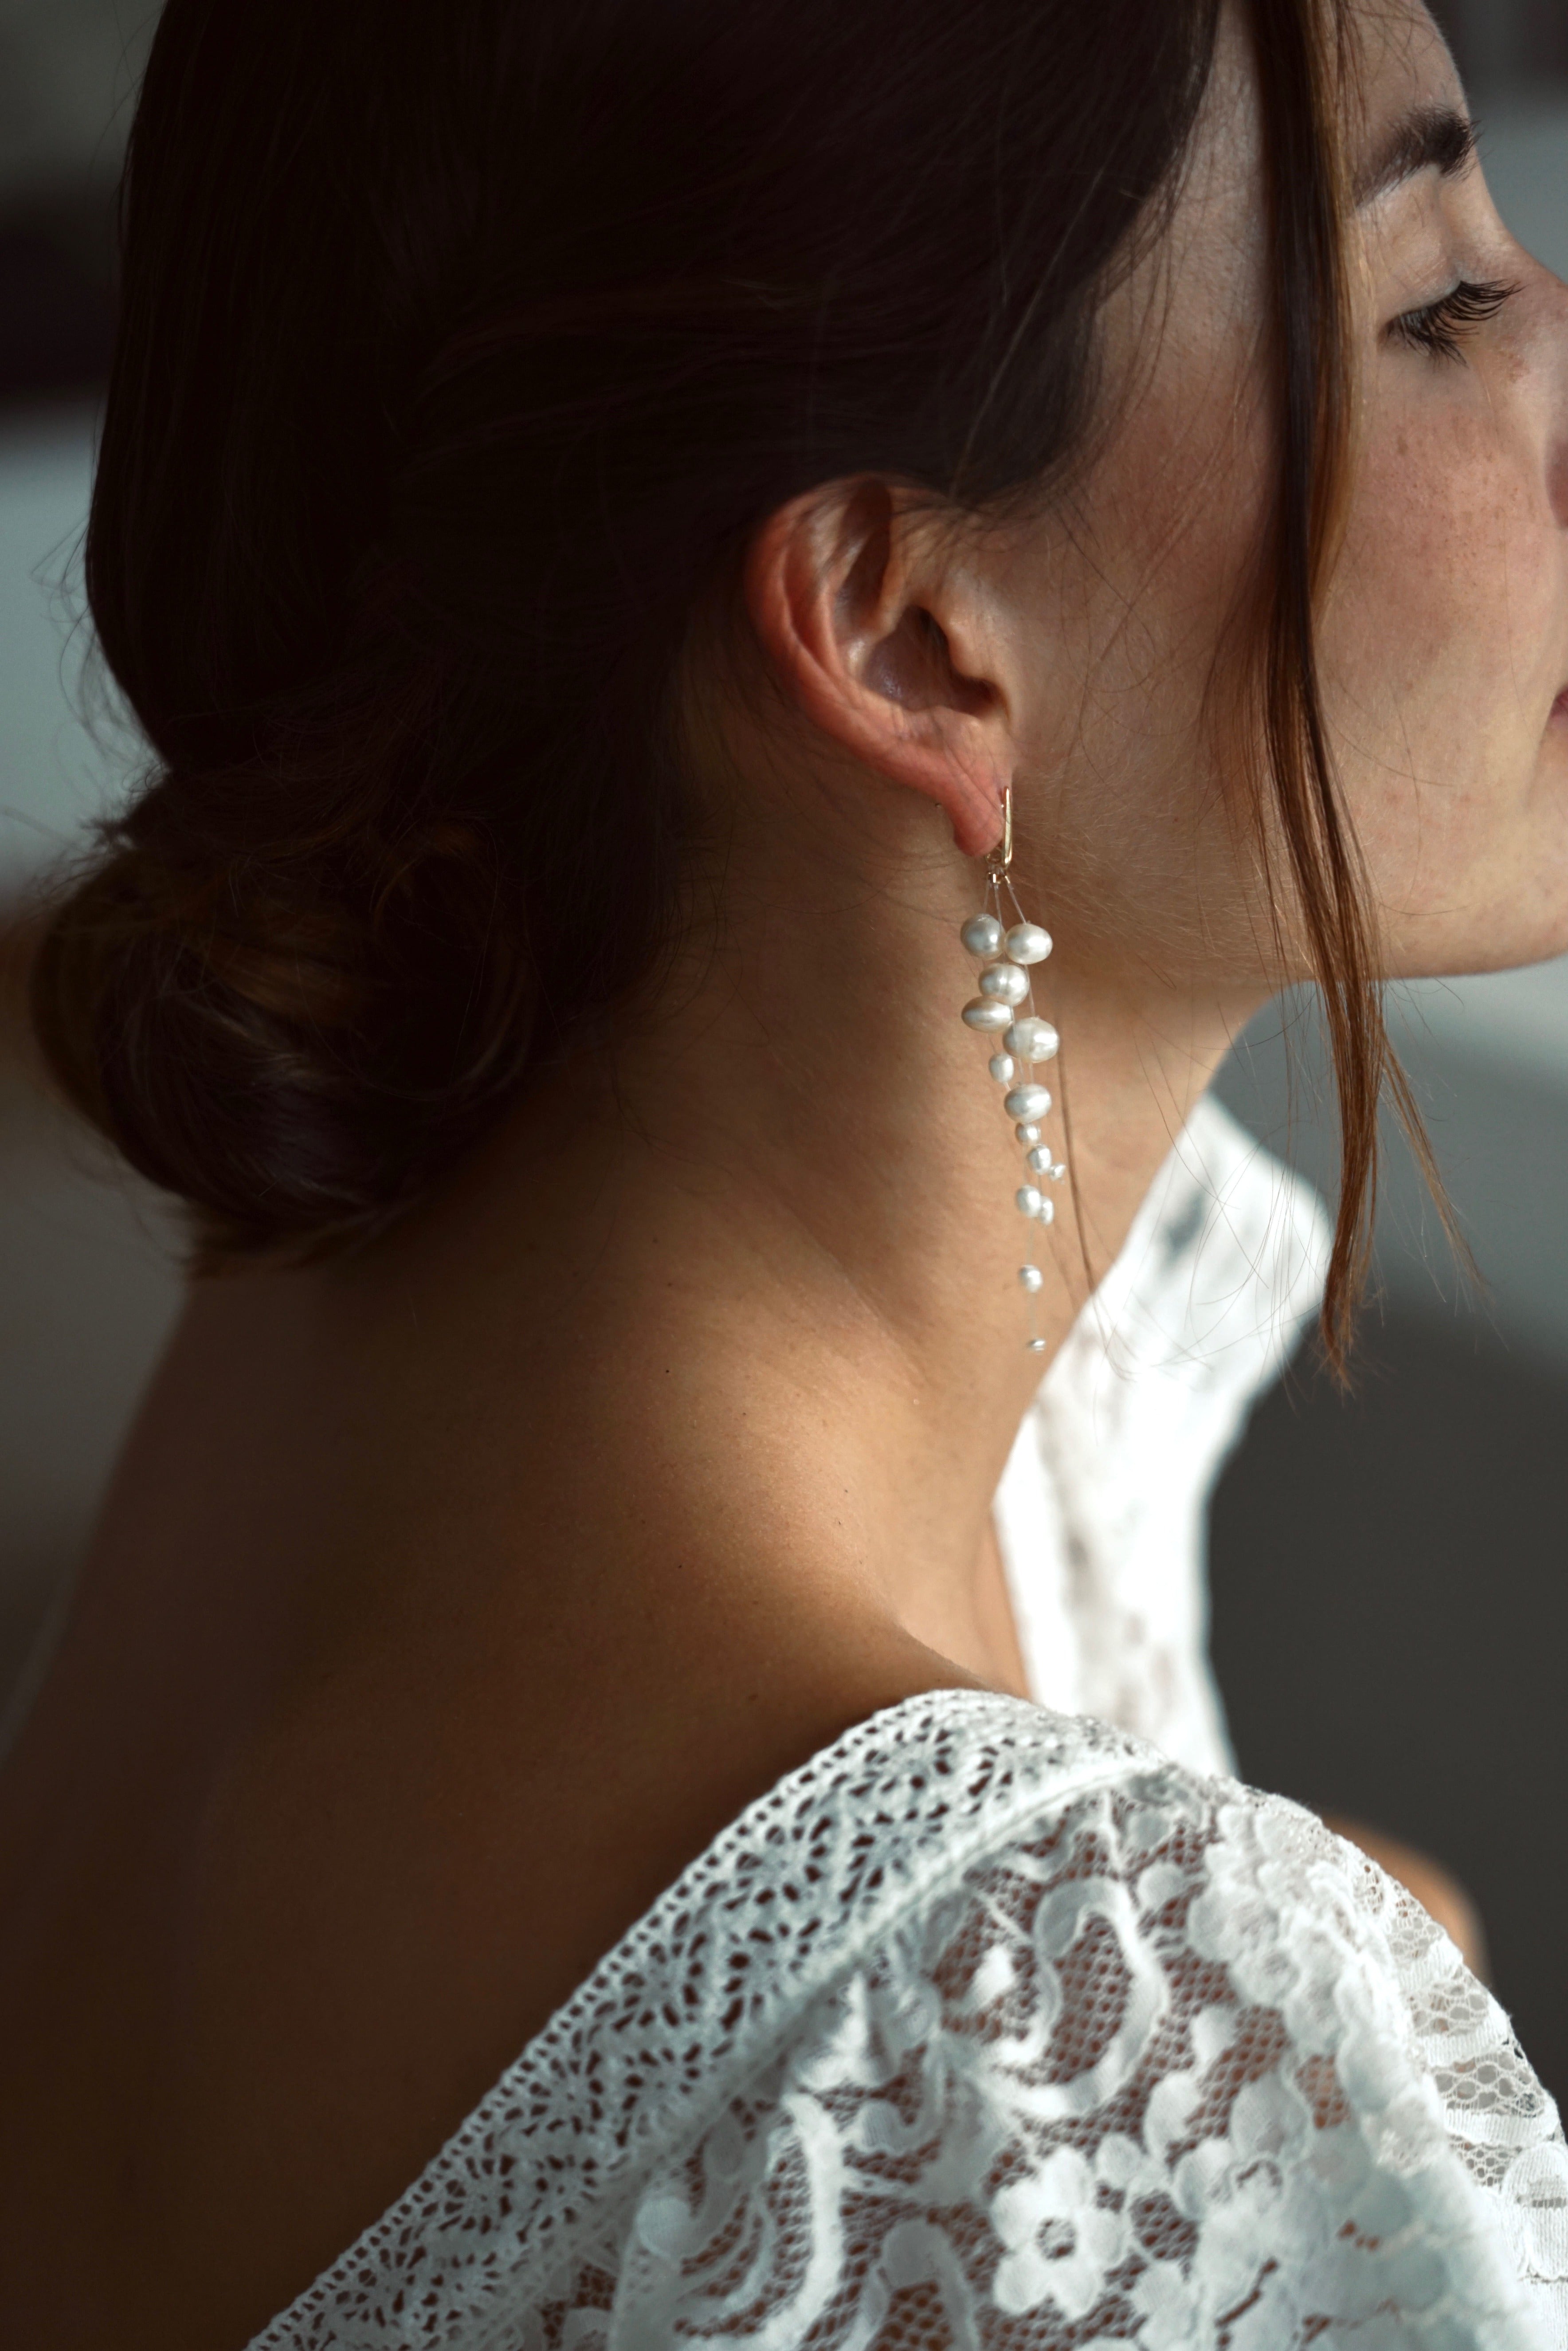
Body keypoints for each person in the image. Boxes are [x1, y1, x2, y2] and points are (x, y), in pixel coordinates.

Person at [2, 0, 1566, 2339]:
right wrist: (1289, 2075)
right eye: (1440, 298)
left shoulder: (376, 1265)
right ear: (911, 632)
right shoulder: (1102, 2068)